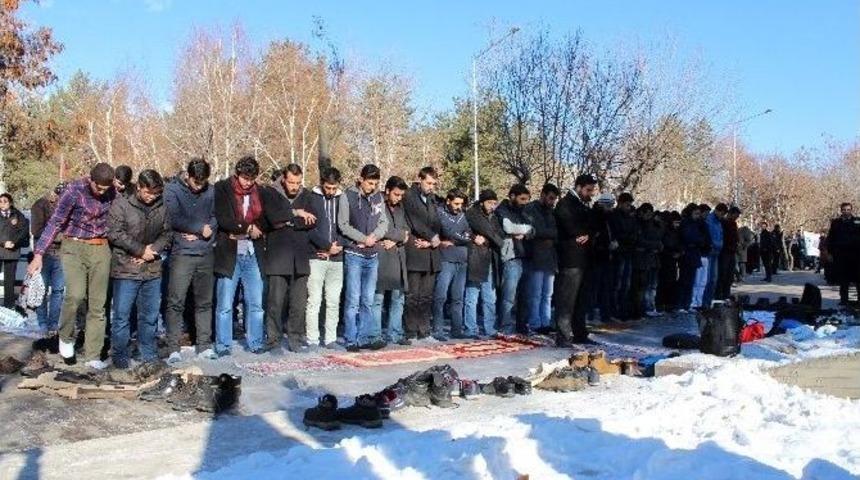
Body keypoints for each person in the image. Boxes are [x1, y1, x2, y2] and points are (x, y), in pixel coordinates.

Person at [28, 163, 117, 369]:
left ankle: (93, 354)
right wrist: (39, 254)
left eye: (106, 189)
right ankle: (66, 337)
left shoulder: (113, 193)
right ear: (91, 180)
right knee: (75, 295)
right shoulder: (74, 191)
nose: (102, 192)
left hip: (100, 246)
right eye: (99, 188)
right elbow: (56, 222)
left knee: (98, 304)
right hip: (74, 245)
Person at [106, 170, 171, 369]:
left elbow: (167, 233)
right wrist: (139, 250)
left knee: (150, 316)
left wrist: (152, 251)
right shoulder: (122, 204)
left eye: (156, 193)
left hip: (152, 268)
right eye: (148, 192)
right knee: (122, 315)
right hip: (126, 267)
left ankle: (148, 354)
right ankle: (120, 356)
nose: (152, 196)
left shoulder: (163, 206)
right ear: (139, 187)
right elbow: (115, 233)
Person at [163, 158, 217, 362]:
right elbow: (172, 217)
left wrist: (207, 231)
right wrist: (197, 228)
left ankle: (204, 345)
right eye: (196, 182)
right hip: (182, 254)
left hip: (205, 252)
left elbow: (215, 216)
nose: (199, 186)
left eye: (203, 183)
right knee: (176, 301)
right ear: (188, 176)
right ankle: (173, 347)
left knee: (204, 302)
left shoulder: (211, 191)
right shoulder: (172, 190)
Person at [213, 155, 267, 356]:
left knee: (256, 302)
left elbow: (265, 218)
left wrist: (253, 228)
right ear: (237, 174)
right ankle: (223, 345)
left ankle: (255, 341)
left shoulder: (259, 192)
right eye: (245, 178)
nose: (248, 183)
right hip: (230, 252)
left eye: (252, 179)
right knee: (225, 304)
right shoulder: (222, 188)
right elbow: (223, 219)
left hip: (252, 252)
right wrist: (248, 227)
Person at [262, 164, 317, 353]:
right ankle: (273, 340)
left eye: (298, 183)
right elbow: (272, 218)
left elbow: (311, 222)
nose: (295, 187)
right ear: (283, 180)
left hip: (300, 257)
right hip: (278, 255)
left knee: (299, 302)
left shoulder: (307, 195)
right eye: (291, 182)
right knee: (275, 302)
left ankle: (295, 338)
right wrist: (296, 214)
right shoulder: (270, 193)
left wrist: (286, 221)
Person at [338, 164, 389, 351]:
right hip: (354, 253)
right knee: (353, 299)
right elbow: (343, 224)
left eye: (375, 183)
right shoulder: (347, 196)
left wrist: (374, 237)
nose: (372, 187)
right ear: (361, 179)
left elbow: (384, 222)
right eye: (369, 183)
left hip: (372, 253)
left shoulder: (378, 197)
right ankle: (351, 339)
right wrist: (362, 239)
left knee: (367, 299)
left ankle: (364, 337)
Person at [554, 174, 598, 346]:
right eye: (588, 190)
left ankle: (580, 332)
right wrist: (584, 231)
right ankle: (563, 335)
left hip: (583, 259)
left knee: (581, 300)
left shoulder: (583, 205)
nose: (590, 194)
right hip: (570, 259)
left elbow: (592, 227)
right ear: (579, 187)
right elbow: (572, 228)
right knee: (567, 300)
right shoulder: (565, 204)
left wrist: (588, 233)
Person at [306, 167, 345, 349]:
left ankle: (330, 338)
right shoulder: (310, 198)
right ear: (322, 183)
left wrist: (337, 247)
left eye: (333, 188)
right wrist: (326, 246)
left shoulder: (342, 198)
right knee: (314, 300)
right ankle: (312, 339)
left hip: (337, 258)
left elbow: (346, 226)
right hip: (317, 257)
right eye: (327, 187)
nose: (330, 192)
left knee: (333, 301)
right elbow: (309, 229)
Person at [402, 167, 442, 340]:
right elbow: (415, 222)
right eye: (428, 183)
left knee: (426, 295)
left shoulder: (433, 199)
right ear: (419, 179)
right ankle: (411, 330)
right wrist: (431, 237)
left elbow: (438, 223)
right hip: (415, 250)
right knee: (413, 295)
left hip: (431, 252)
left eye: (434, 184)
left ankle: (424, 330)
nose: (431, 187)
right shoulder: (409, 196)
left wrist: (433, 240)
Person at [373, 176, 411, 346]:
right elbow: (381, 228)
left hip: (398, 256)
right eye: (396, 194)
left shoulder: (401, 207)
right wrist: (400, 235)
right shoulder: (377, 203)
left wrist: (397, 238)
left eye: (401, 195)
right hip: (382, 256)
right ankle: (374, 335)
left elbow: (407, 231)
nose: (399, 198)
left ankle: (394, 333)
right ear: (387, 191)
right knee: (377, 299)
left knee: (398, 298)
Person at [432, 188, 474, 340]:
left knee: (458, 298)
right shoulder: (440, 212)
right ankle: (438, 329)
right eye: (456, 203)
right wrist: (461, 237)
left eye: (461, 204)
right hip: (446, 259)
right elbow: (447, 230)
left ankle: (456, 329)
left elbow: (469, 234)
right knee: (440, 296)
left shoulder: (463, 215)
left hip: (462, 259)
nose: (459, 207)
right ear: (448, 201)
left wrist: (458, 239)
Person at [495, 184, 534, 335]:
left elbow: (534, 229)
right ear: (512, 196)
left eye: (527, 199)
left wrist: (525, 231)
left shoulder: (525, 211)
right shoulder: (502, 210)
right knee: (508, 297)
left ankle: (522, 326)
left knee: (525, 296)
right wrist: (526, 229)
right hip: (511, 257)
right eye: (522, 199)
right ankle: (505, 327)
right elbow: (508, 228)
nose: (525, 202)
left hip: (526, 256)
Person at [464, 189, 504, 338]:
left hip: (490, 260)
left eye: (494, 203)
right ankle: (470, 328)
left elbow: (499, 233)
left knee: (490, 298)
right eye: (489, 203)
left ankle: (489, 328)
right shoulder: (472, 213)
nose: (492, 206)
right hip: (476, 258)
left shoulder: (494, 216)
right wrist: (493, 241)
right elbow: (487, 231)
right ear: (482, 202)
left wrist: (489, 240)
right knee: (472, 296)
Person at [523, 183, 559, 334]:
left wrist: (547, 234)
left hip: (550, 257)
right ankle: (535, 322)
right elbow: (534, 230)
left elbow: (557, 231)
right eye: (550, 198)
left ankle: (546, 321)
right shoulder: (530, 209)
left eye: (554, 199)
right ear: (543, 195)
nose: (552, 202)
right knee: (535, 293)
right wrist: (546, 234)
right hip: (536, 256)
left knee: (547, 294)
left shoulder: (551, 212)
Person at [31, 182, 67, 331]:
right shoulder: (40, 205)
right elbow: (36, 230)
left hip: (62, 254)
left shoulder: (69, 208)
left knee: (58, 291)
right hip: (44, 254)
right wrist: (60, 236)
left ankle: (53, 324)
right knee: (42, 289)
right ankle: (42, 323)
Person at [584, 193, 616, 323]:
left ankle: (604, 314)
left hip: (605, 256)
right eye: (609, 206)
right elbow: (594, 237)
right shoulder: (595, 217)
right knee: (594, 287)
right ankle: (590, 313)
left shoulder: (607, 218)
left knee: (605, 287)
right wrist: (604, 245)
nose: (611, 209)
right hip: (596, 256)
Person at [631, 203, 662, 318]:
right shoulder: (637, 223)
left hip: (647, 258)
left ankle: (641, 309)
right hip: (638, 258)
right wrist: (653, 245)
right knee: (637, 287)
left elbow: (656, 237)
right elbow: (639, 240)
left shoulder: (651, 224)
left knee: (644, 286)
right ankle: (636, 310)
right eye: (647, 213)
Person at [609, 193, 638, 320]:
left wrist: (628, 238)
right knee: (617, 283)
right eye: (627, 205)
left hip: (628, 252)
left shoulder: (630, 218)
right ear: (620, 203)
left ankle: (622, 308)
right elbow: (618, 233)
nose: (628, 207)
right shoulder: (614, 216)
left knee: (626, 284)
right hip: (619, 253)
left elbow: (634, 233)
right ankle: (614, 309)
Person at [826, 203, 860, 304]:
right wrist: (829, 253)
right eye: (844, 210)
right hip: (841, 255)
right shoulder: (836, 223)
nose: (846, 212)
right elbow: (831, 238)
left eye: (848, 209)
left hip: (856, 255)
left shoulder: (857, 221)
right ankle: (844, 300)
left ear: (851, 210)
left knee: (858, 278)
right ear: (841, 210)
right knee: (843, 279)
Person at [0, 193, 29, 309]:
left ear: (10, 202)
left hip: (12, 252)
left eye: (5, 201)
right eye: (0, 201)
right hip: (1, 247)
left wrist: (14, 242)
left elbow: (23, 232)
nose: (2, 204)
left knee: (9, 281)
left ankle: (8, 305)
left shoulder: (19, 215)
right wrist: (3, 243)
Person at [678, 204, 709, 311]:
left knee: (691, 281)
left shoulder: (698, 224)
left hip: (694, 254)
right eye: (696, 214)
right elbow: (688, 237)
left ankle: (687, 303)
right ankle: (682, 304)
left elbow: (703, 238)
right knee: (685, 280)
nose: (698, 216)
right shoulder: (686, 223)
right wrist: (697, 241)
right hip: (687, 254)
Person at [656, 211, 682, 313]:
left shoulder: (676, 232)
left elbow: (679, 243)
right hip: (665, 259)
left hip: (672, 260)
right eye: (676, 222)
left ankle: (669, 303)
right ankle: (661, 303)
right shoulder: (665, 231)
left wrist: (679, 252)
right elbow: (666, 244)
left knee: (672, 282)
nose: (677, 225)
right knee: (663, 282)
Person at [702, 203, 726, 307]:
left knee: (713, 279)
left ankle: (708, 301)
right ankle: (703, 302)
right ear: (717, 211)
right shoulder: (709, 220)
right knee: (707, 279)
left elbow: (720, 235)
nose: (722, 216)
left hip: (716, 253)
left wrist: (720, 245)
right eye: (722, 213)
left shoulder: (718, 222)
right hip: (709, 252)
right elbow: (709, 236)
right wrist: (715, 244)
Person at [716, 206, 740, 300]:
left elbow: (735, 236)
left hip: (732, 251)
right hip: (725, 251)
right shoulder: (724, 222)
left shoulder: (733, 223)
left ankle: (726, 293)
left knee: (730, 274)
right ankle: (720, 294)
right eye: (736, 215)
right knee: (723, 273)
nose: (736, 218)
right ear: (731, 214)